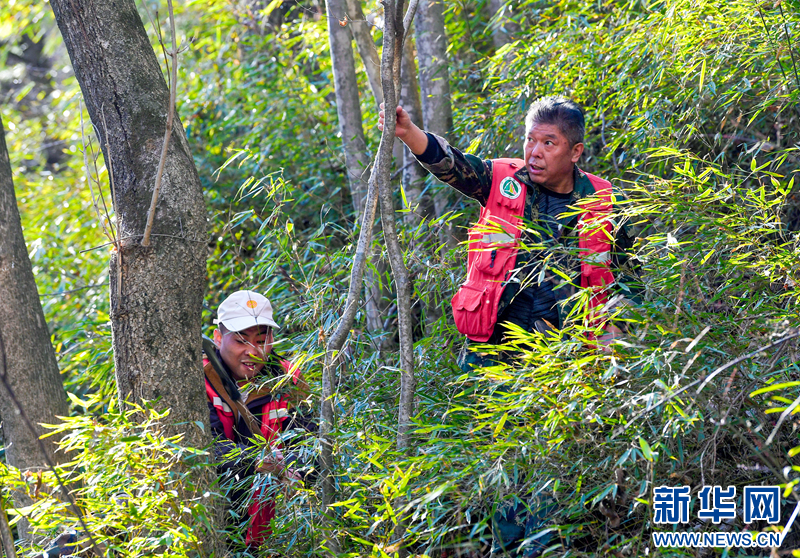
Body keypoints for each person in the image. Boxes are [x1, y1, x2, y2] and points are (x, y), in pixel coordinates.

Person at [379, 97, 639, 556]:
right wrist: (408, 133)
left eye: (549, 143)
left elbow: (629, 278)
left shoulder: (606, 202)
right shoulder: (504, 179)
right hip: (492, 353)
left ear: (575, 153)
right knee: (496, 461)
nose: (535, 152)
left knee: (550, 464)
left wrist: (618, 332)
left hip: (565, 360)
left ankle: (542, 546)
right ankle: (500, 545)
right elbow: (455, 166)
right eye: (531, 140)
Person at [203, 290, 311, 549]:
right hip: (217, 521)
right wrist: (257, 461)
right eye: (241, 341)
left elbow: (309, 438)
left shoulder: (288, 379)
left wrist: (293, 465)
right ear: (218, 338)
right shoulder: (201, 378)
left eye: (262, 340)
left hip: (277, 527)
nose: (253, 352)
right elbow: (206, 446)